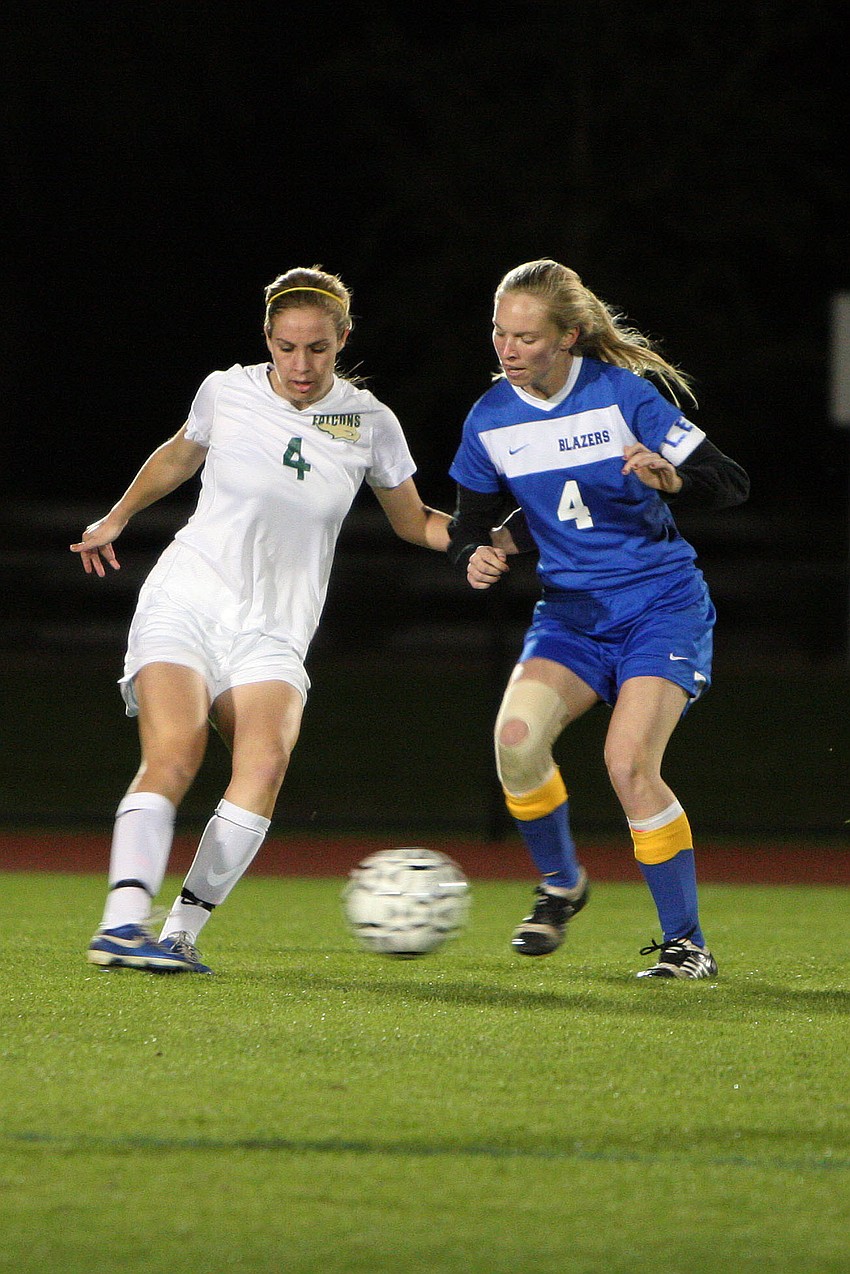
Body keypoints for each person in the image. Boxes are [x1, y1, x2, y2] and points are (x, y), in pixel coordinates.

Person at [72, 265, 451, 974]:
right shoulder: (228, 390)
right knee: (177, 752)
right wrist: (118, 514)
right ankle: (122, 924)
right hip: (188, 597)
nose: (300, 365)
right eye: (285, 347)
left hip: (274, 627)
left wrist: (483, 541)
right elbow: (182, 452)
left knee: (265, 762)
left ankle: (178, 933)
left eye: (317, 348)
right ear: (268, 341)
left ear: (342, 339)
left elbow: (414, 521)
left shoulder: (367, 421)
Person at [447, 258, 749, 979]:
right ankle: (561, 886)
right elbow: (474, 524)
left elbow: (730, 483)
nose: (507, 349)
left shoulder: (624, 397)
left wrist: (672, 479)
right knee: (515, 744)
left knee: (627, 763)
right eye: (499, 332)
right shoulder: (490, 419)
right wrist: (476, 554)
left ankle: (687, 945)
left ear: (570, 338)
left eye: (525, 336)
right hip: (571, 619)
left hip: (659, 609)